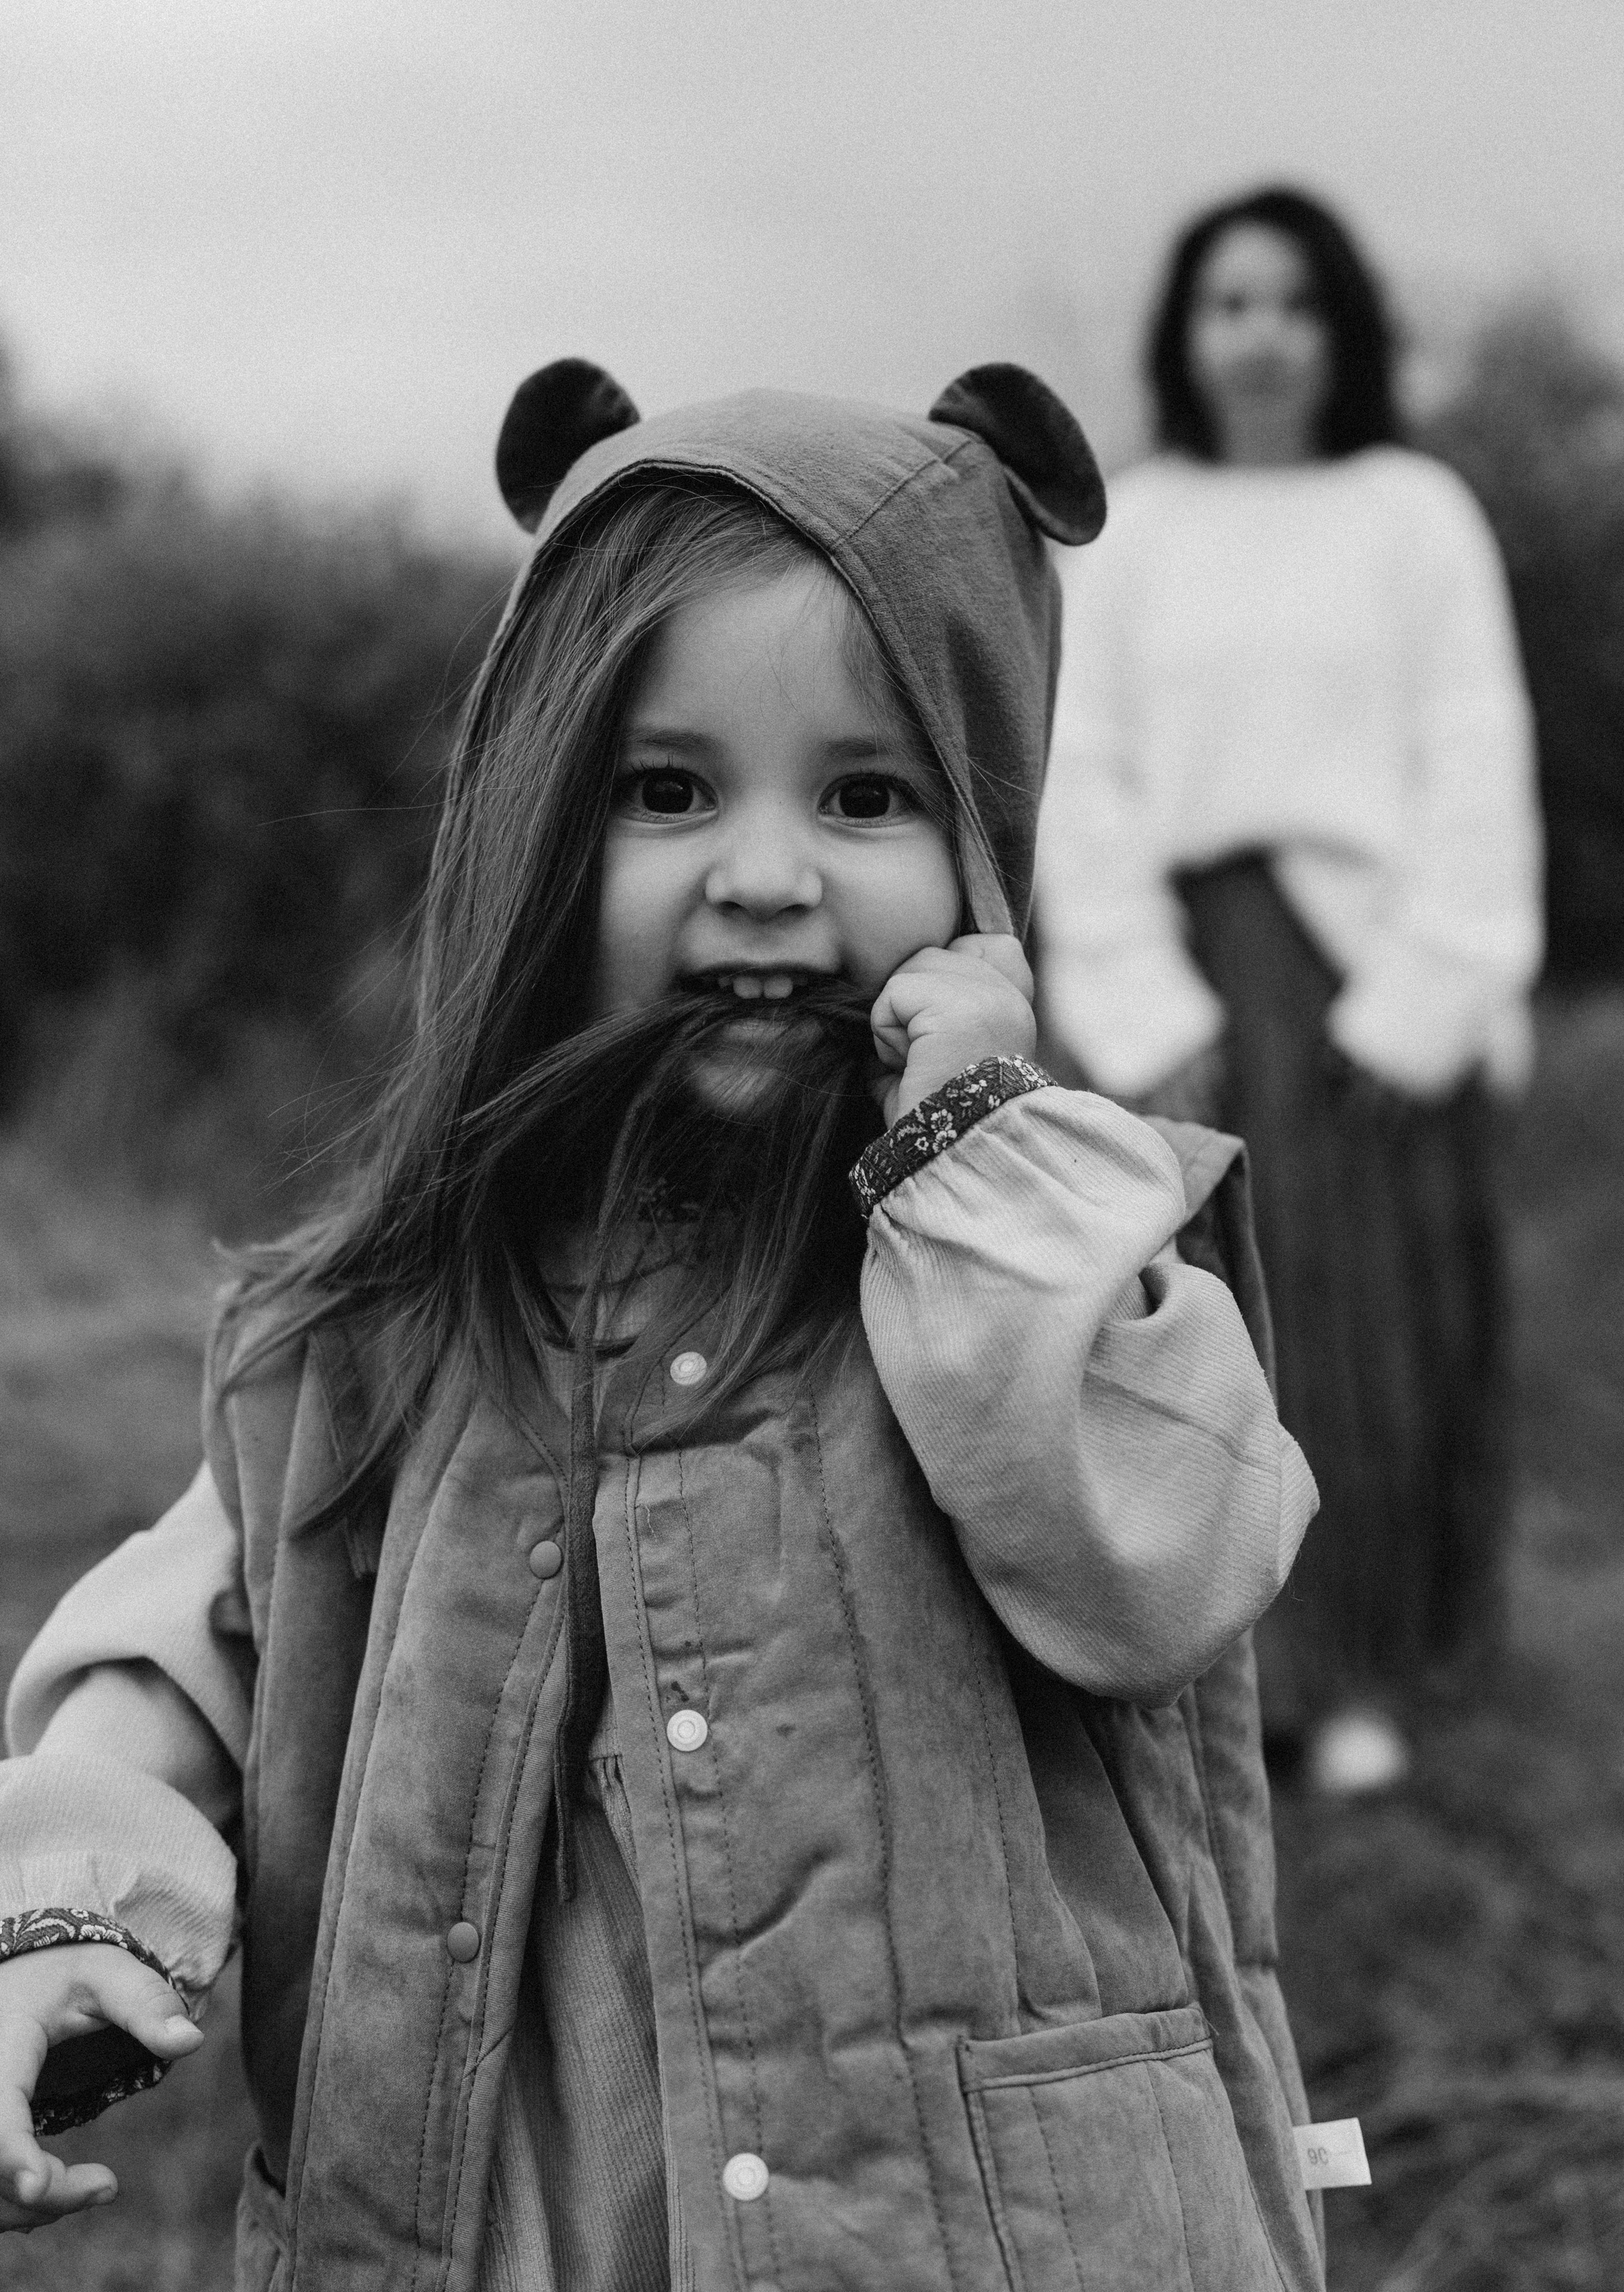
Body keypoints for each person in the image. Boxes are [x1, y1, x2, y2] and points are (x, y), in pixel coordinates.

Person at [0, 359, 1326, 2292]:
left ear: (983, 849)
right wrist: (72, 1910)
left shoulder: (1055, 1267)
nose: (767, 875)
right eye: (667, 792)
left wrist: (969, 1158)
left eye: (867, 795)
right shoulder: (394, 1328)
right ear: (542, 838)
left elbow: (1163, 1562)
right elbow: (190, 1647)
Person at [1036, 187, 1543, 1799]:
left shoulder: (1413, 513)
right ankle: (1197, 1674)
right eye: (1227, 304)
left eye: (1292, 304)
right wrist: (1135, 1003)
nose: (1259, 337)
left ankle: (1361, 1674)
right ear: (1184, 333)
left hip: (1365, 973)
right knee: (1189, 1334)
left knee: (1368, 1328)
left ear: (1340, 329)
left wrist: (1424, 1000)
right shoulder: (1131, 526)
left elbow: (1474, 761)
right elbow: (1081, 776)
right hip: (1186, 978)